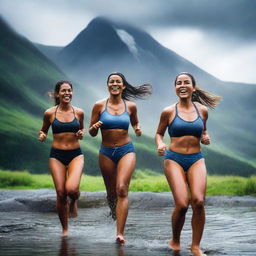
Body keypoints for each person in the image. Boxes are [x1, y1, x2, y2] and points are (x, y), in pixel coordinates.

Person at [155, 72, 221, 256]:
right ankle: (175, 240)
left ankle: (195, 246)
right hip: (173, 159)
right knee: (183, 204)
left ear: (193, 87)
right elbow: (159, 133)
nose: (182, 85)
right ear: (175, 88)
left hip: (196, 159)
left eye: (186, 82)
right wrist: (160, 144)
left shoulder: (202, 111)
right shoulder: (168, 111)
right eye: (178, 83)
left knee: (198, 201)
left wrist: (205, 136)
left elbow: (203, 130)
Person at [89, 72, 151, 244]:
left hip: (126, 150)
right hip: (106, 152)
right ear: (108, 85)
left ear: (123, 86)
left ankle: (120, 233)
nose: (115, 83)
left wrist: (137, 128)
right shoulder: (99, 106)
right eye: (111, 81)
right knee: (111, 194)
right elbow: (91, 133)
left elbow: (135, 122)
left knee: (122, 189)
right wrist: (94, 127)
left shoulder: (130, 106)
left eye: (118, 81)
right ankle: (115, 215)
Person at [38, 80, 85, 236]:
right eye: (63, 91)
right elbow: (43, 130)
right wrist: (42, 135)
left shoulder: (79, 112)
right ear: (58, 94)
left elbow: (82, 130)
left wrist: (81, 133)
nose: (67, 93)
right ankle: (65, 229)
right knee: (60, 192)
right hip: (56, 156)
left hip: (75, 155)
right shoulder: (49, 113)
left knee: (71, 189)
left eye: (69, 90)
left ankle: (75, 200)